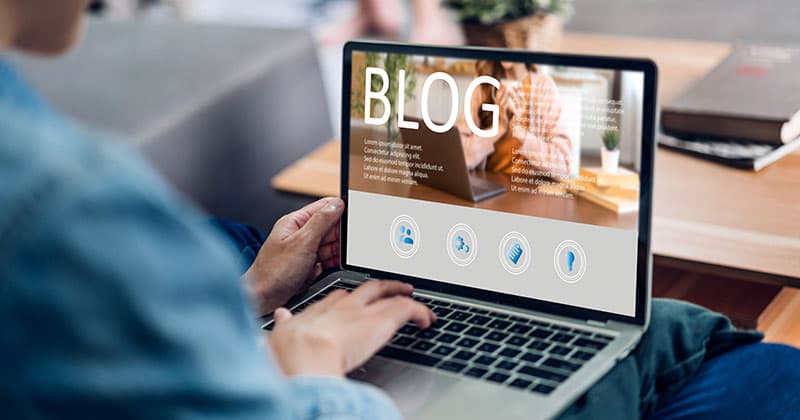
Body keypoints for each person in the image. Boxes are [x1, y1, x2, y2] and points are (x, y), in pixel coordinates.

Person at [2, 2, 799, 419]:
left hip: (484, 233)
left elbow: (559, 164)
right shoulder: (65, 202)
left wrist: (251, 297)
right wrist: (307, 367)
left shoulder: (541, 101)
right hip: (319, 377)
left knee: (273, 247)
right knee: (736, 359)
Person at [458, 60, 573, 178]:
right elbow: (459, 159)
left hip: (526, 188)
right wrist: (498, 129)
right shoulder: (483, 86)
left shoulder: (543, 87)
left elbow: (563, 166)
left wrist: (522, 134)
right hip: (488, 185)